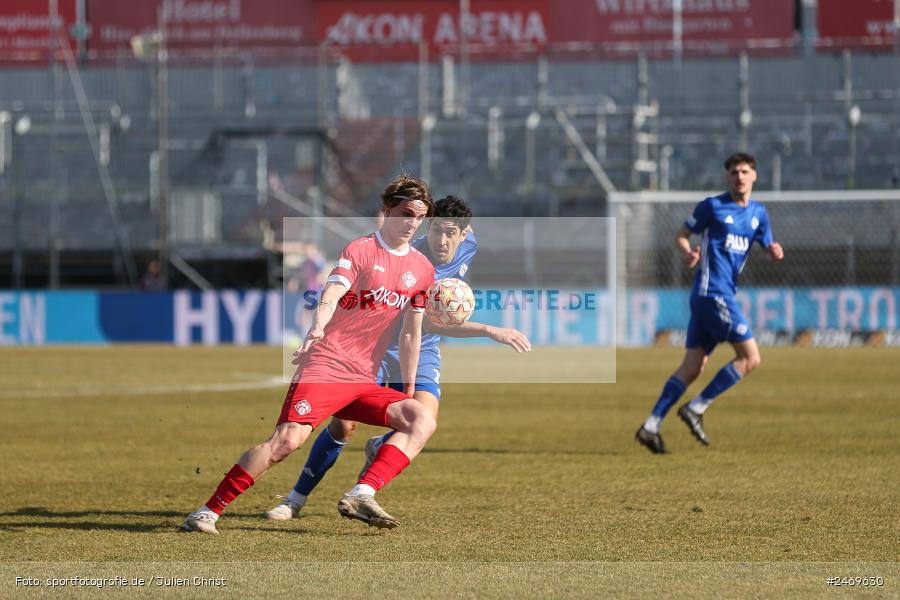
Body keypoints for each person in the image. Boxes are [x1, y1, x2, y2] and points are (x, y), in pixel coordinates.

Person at [182, 175, 437, 533]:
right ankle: (207, 511)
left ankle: (362, 492)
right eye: (406, 213)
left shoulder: (422, 269)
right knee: (287, 442)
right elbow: (331, 294)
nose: (413, 223)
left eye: (420, 217)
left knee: (420, 419)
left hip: (363, 379)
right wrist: (316, 328)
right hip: (328, 365)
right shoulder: (361, 250)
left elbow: (411, 333)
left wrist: (406, 390)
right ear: (387, 210)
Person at [265, 196, 531, 521]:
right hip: (376, 347)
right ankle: (295, 499)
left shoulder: (468, 242)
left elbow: (426, 330)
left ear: (464, 233)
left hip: (424, 349)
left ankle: (364, 488)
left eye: (451, 233)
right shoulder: (411, 258)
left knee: (424, 419)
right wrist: (490, 330)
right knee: (343, 426)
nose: (443, 240)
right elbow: (426, 323)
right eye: (437, 231)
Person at [635, 152, 784, 454]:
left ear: (754, 176)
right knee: (750, 357)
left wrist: (773, 251)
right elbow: (681, 235)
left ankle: (650, 426)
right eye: (733, 172)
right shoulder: (713, 206)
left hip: (714, 296)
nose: (738, 177)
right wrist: (687, 251)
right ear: (727, 177)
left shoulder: (759, 214)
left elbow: (767, 245)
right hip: (713, 293)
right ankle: (696, 408)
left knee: (692, 367)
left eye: (744, 171)